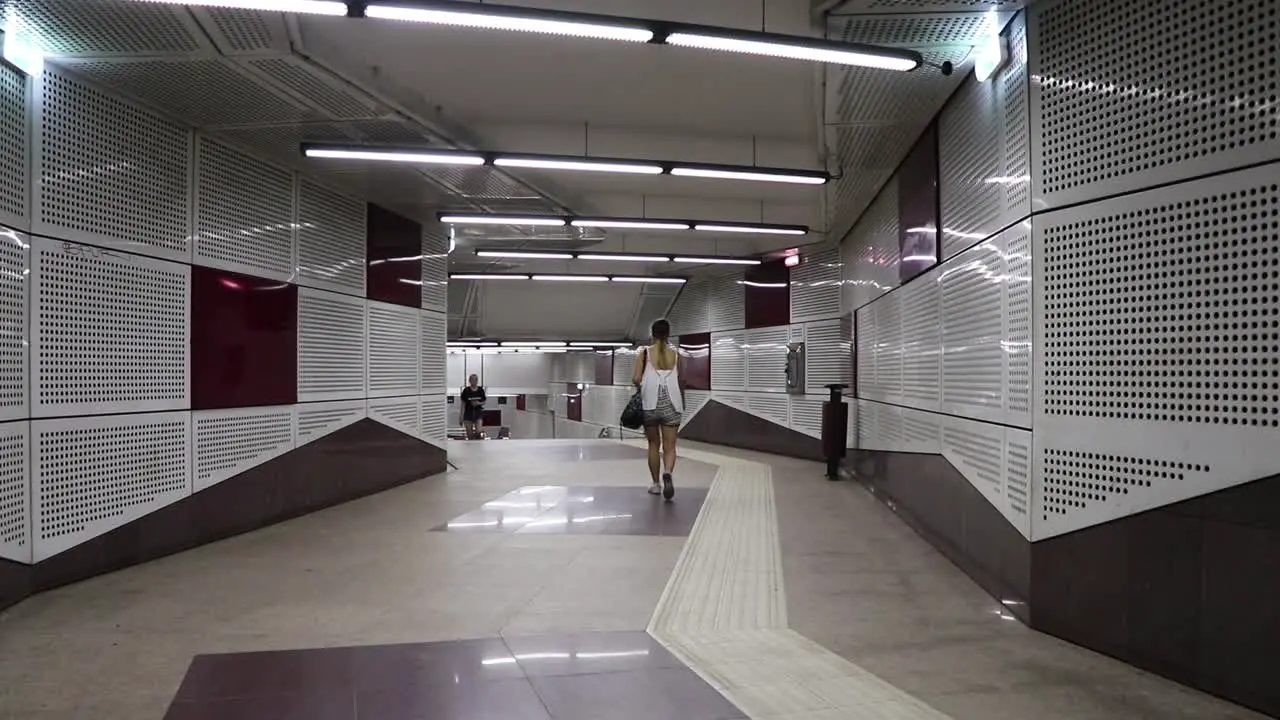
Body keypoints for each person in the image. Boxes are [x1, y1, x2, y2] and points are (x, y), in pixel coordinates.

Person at [633, 318, 682, 500]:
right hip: (672, 403)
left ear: (652, 334)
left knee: (654, 444)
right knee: (670, 446)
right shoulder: (676, 354)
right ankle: (667, 472)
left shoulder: (644, 353)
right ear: (668, 334)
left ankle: (655, 484)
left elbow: (636, 378)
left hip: (650, 404)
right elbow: (681, 378)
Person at [460, 374, 486, 439]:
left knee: (478, 431)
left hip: (478, 412)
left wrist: (478, 403)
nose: (474, 381)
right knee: (469, 434)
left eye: (475, 379)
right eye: (472, 379)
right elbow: (463, 404)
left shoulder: (480, 390)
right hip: (468, 412)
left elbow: (484, 401)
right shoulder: (466, 390)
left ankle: (477, 440)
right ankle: (471, 445)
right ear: (469, 381)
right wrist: (461, 417)